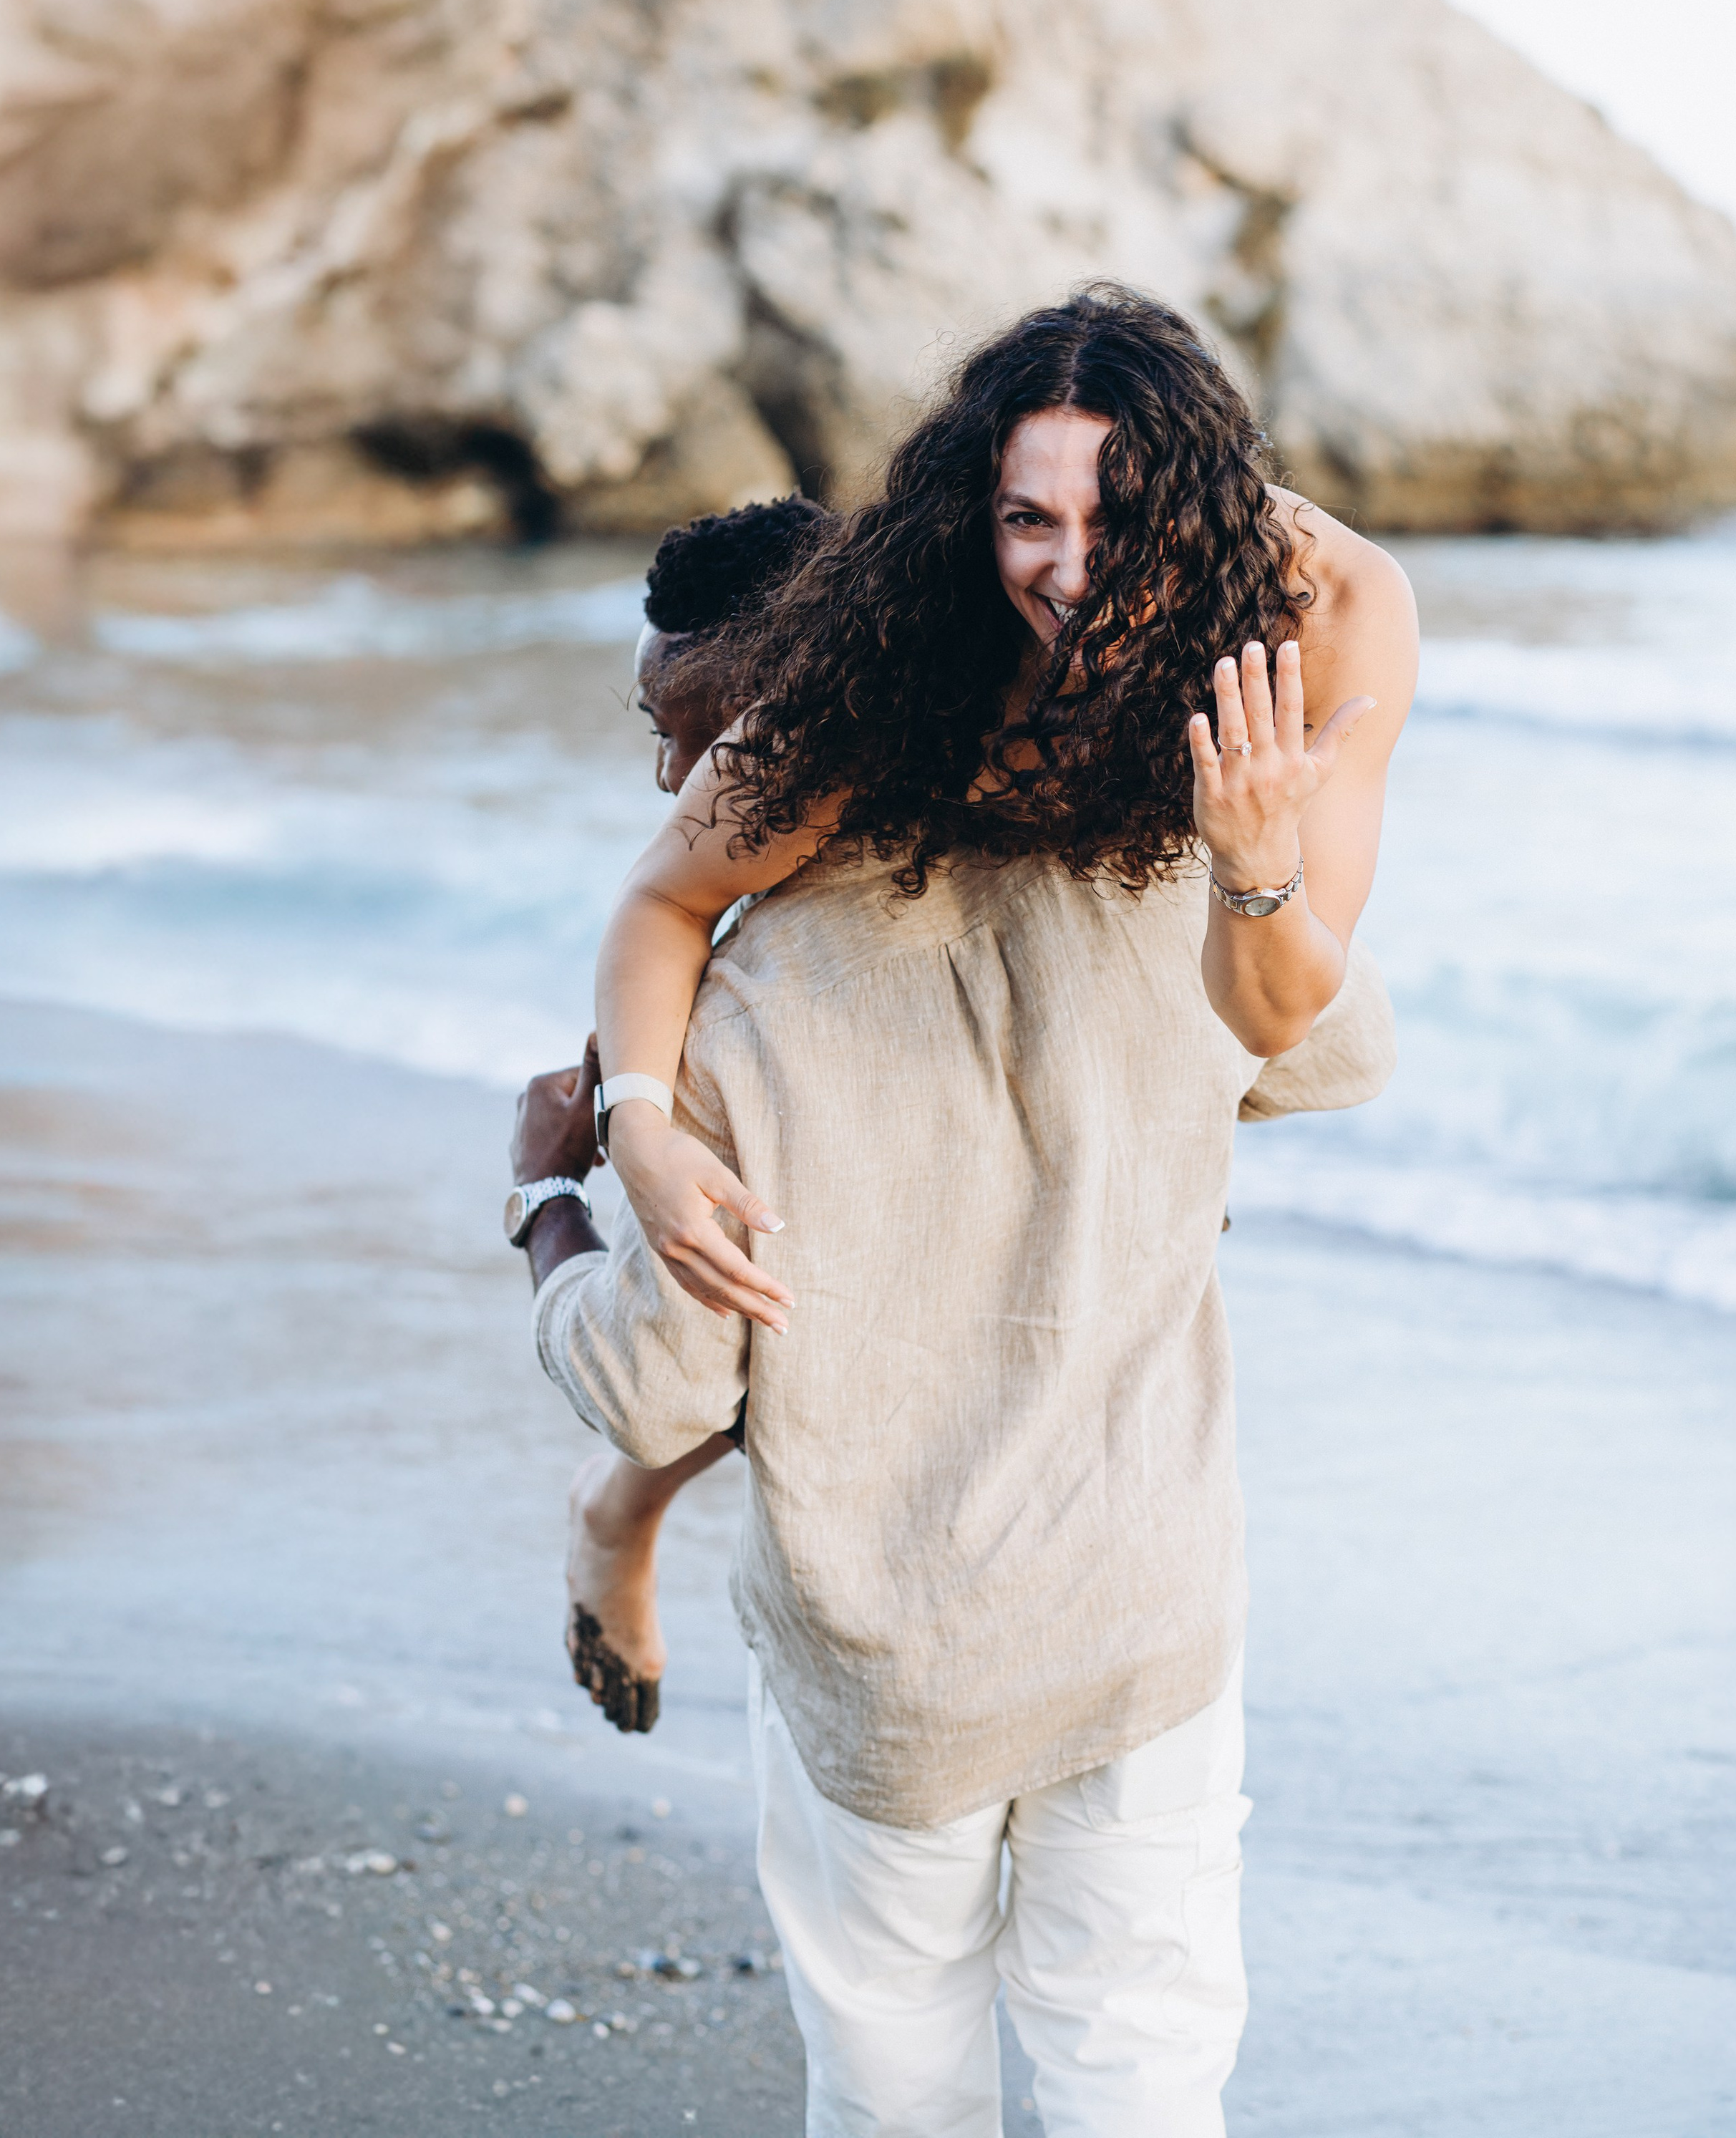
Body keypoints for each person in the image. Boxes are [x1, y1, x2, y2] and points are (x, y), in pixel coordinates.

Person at [508, 286, 1417, 2134]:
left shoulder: (761, 1006)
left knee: (893, 2075)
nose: (1073, 571)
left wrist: (572, 1169)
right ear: (955, 538)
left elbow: (657, 1365)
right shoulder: (1142, 869)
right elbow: (1314, 1043)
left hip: (891, 1649)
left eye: (691, 725)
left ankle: (620, 1531)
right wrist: (1234, 899)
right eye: (1029, 521)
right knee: (1142, 2079)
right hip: (1140, 1596)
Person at [553, 495, 828, 1733]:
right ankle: (623, 1508)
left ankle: (621, 1506)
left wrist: (539, 1194)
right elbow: (660, 1379)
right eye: (658, 737)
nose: (672, 777)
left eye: (694, 736)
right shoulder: (719, 986)